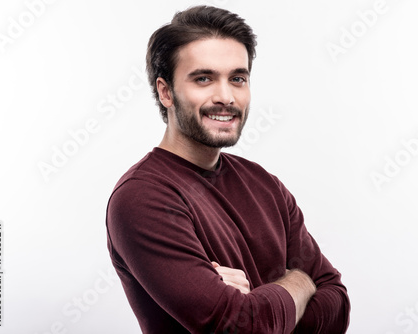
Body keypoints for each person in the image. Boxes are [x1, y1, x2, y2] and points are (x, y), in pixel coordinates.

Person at [106, 5, 350, 333]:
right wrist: (300, 284)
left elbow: (336, 307)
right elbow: (242, 327)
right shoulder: (143, 198)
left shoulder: (265, 184)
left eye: (237, 78)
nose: (226, 96)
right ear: (166, 92)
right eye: (203, 78)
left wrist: (258, 302)